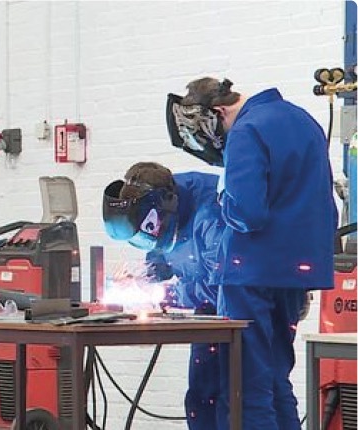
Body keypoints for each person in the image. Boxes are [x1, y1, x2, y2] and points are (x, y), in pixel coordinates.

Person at [169, 77, 336, 430]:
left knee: (246, 387)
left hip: (251, 274)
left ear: (218, 112)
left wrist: (221, 200)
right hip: (295, 272)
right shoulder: (302, 119)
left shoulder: (246, 130)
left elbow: (246, 213)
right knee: (276, 379)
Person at [103, 161, 225, 429]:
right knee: (200, 399)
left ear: (168, 205)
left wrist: (163, 295)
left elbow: (220, 286)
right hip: (210, 316)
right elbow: (160, 251)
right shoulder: (153, 203)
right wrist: (144, 275)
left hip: (241, 313)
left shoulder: (210, 212)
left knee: (230, 398)